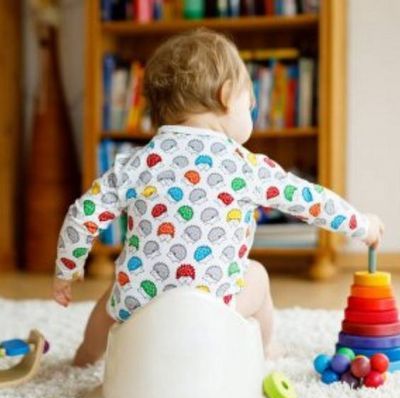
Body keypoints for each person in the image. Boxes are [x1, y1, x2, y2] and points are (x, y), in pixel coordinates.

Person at [53, 29, 384, 367]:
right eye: (250, 104)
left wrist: (67, 269)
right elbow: (312, 202)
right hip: (213, 311)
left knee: (114, 296)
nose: (251, 111)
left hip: (140, 311)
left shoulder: (135, 163)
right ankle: (266, 349)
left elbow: (83, 214)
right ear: (227, 96)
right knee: (257, 276)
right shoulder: (247, 167)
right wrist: (363, 225)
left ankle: (86, 355)